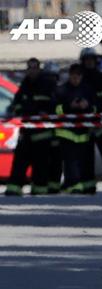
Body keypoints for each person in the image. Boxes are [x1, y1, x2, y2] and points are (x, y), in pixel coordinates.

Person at [5, 58, 57, 196]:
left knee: (41, 164)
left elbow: (53, 105)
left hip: (42, 133)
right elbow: (16, 103)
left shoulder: (47, 84)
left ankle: (39, 190)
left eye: (34, 68)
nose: (32, 71)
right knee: (19, 162)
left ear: (39, 69)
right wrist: (17, 110)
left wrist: (41, 111)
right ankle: (14, 188)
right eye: (30, 68)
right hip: (26, 131)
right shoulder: (25, 84)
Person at [55, 63, 95, 194]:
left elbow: (96, 108)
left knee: (86, 161)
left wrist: (87, 106)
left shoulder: (87, 90)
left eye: (78, 76)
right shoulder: (62, 90)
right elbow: (56, 109)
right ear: (69, 75)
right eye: (73, 75)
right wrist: (69, 106)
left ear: (81, 76)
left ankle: (88, 186)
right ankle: (73, 185)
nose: (75, 78)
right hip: (67, 132)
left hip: (84, 133)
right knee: (70, 161)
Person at [78, 47, 102, 194]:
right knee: (86, 157)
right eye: (87, 60)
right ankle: (88, 186)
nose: (89, 62)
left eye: (92, 60)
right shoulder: (79, 80)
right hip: (84, 124)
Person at [42, 61, 63, 194]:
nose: (50, 80)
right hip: (42, 135)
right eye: (48, 77)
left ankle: (54, 187)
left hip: (58, 134)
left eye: (52, 77)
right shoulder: (40, 91)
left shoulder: (60, 92)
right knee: (43, 162)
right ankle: (42, 185)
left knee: (56, 162)